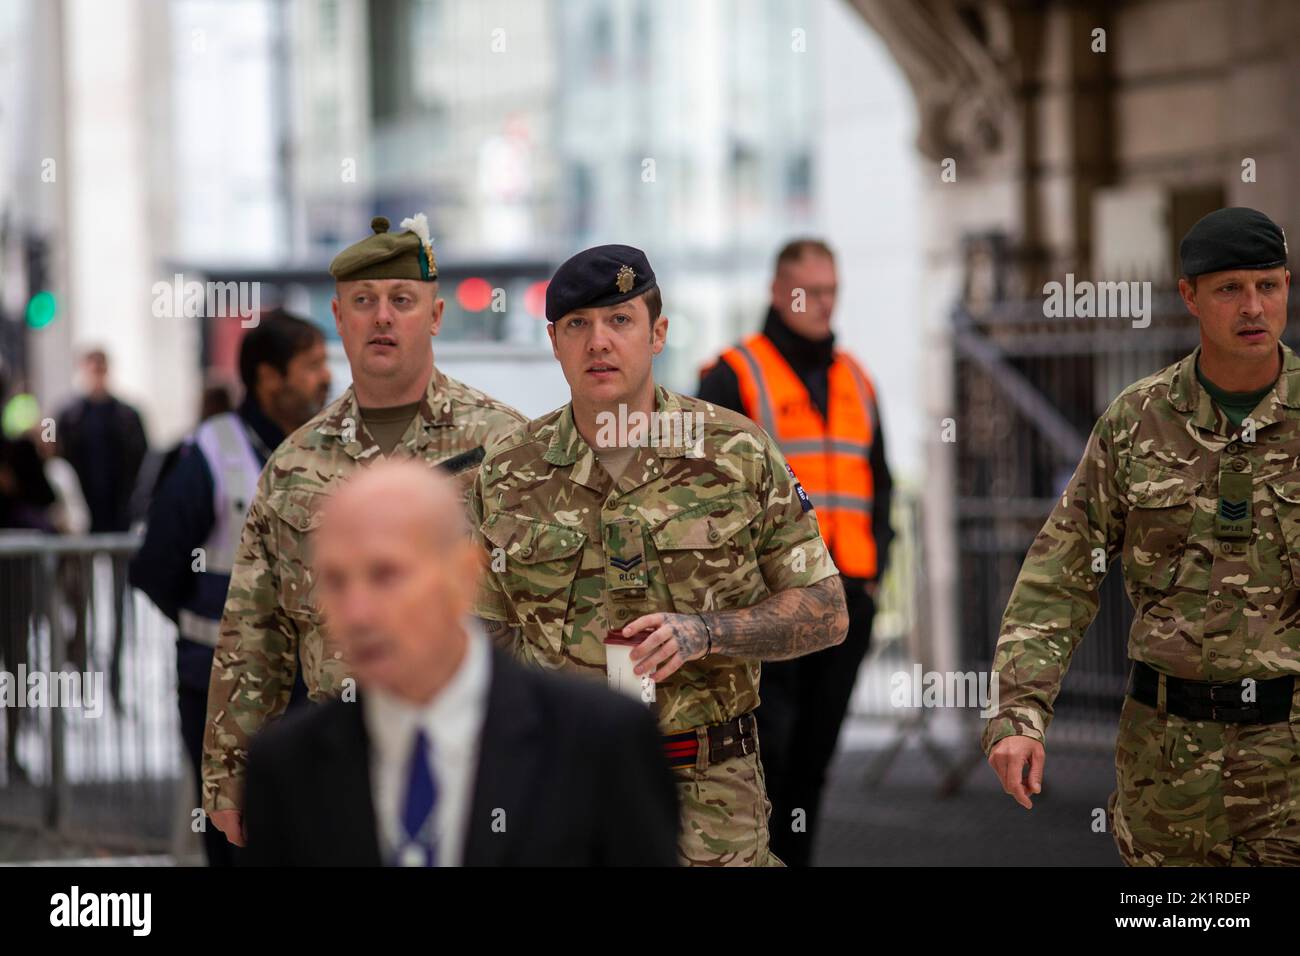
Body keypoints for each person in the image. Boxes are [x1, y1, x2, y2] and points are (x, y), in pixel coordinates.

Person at [470, 244, 850, 866]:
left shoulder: (735, 453)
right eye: (577, 325)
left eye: (620, 320)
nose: (598, 342)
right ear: (554, 342)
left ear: (658, 334)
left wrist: (707, 633)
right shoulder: (511, 472)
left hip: (710, 794)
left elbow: (827, 612)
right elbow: (481, 636)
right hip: (559, 791)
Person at [985, 206, 1300, 865]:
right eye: (1229, 289)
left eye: (1268, 286)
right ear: (1189, 296)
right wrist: (1020, 712)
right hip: (1168, 764)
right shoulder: (1138, 422)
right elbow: (1061, 570)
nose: (1253, 307)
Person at [203, 215, 527, 849]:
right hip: (343, 764)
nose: (382, 318)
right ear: (338, 317)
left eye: (402, 301)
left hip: (486, 762)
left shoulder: (506, 445)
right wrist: (230, 773)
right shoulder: (295, 465)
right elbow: (254, 629)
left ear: (434, 317)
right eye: (363, 302)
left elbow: (554, 611)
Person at [241, 461, 679, 866]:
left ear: (463, 576)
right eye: (335, 581)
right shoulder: (286, 768)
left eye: (385, 575)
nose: (357, 612)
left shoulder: (598, 742)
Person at [698, 237, 894, 866]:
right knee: (766, 759)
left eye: (833, 290)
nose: (824, 304)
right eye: (812, 290)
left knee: (812, 765)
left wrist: (873, 578)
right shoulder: (732, 373)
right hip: (770, 607)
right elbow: (705, 495)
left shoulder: (857, 380)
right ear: (779, 291)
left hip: (845, 605)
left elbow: (880, 483)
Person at [131, 311, 331, 865]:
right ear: (270, 377)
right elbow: (154, 567)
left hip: (306, 688)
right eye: (312, 365)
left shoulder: (322, 447)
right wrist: (214, 626)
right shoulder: (208, 454)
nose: (326, 377)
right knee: (233, 843)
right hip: (219, 690)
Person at [57, 349, 149, 704]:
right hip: (80, 530)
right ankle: (81, 679)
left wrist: (136, 511)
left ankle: (114, 681)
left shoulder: (126, 415)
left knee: (118, 611)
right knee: (79, 609)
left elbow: (143, 468)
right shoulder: (70, 416)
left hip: (117, 525)